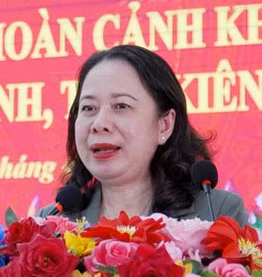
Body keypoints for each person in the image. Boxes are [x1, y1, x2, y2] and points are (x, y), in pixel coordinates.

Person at [40, 45, 247, 226]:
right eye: (88, 108)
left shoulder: (215, 214)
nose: (99, 124)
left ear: (164, 125)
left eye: (121, 106)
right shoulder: (53, 222)